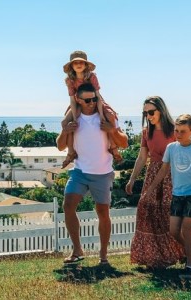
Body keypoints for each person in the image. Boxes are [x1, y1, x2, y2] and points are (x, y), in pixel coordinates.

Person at [56, 83, 128, 264]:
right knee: (68, 205)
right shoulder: (75, 117)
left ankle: (103, 255)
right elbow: (60, 145)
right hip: (80, 171)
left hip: (102, 173)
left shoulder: (105, 116)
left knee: (103, 212)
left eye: (94, 99)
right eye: (87, 100)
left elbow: (124, 143)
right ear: (78, 100)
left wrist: (111, 129)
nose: (91, 102)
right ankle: (77, 250)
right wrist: (66, 131)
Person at [125, 96, 186, 269]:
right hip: (152, 174)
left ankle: (181, 251)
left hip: (172, 176)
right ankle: (156, 257)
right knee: (148, 212)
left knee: (168, 215)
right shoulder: (146, 132)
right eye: (145, 113)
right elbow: (142, 157)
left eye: (151, 112)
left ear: (161, 110)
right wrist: (132, 179)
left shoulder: (175, 130)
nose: (149, 116)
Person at [145, 114, 191, 279]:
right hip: (177, 194)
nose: (178, 134)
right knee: (173, 231)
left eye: (183, 131)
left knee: (187, 229)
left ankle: (190, 268)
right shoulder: (171, 148)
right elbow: (164, 170)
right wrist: (151, 188)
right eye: (176, 131)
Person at [61, 50, 122, 168]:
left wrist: (102, 114)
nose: (79, 64)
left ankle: (114, 150)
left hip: (95, 100)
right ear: (72, 66)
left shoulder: (92, 76)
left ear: (85, 65)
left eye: (81, 62)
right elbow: (73, 100)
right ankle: (70, 152)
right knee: (66, 123)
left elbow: (98, 96)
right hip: (78, 103)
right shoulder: (70, 80)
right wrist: (74, 118)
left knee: (109, 117)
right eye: (75, 63)